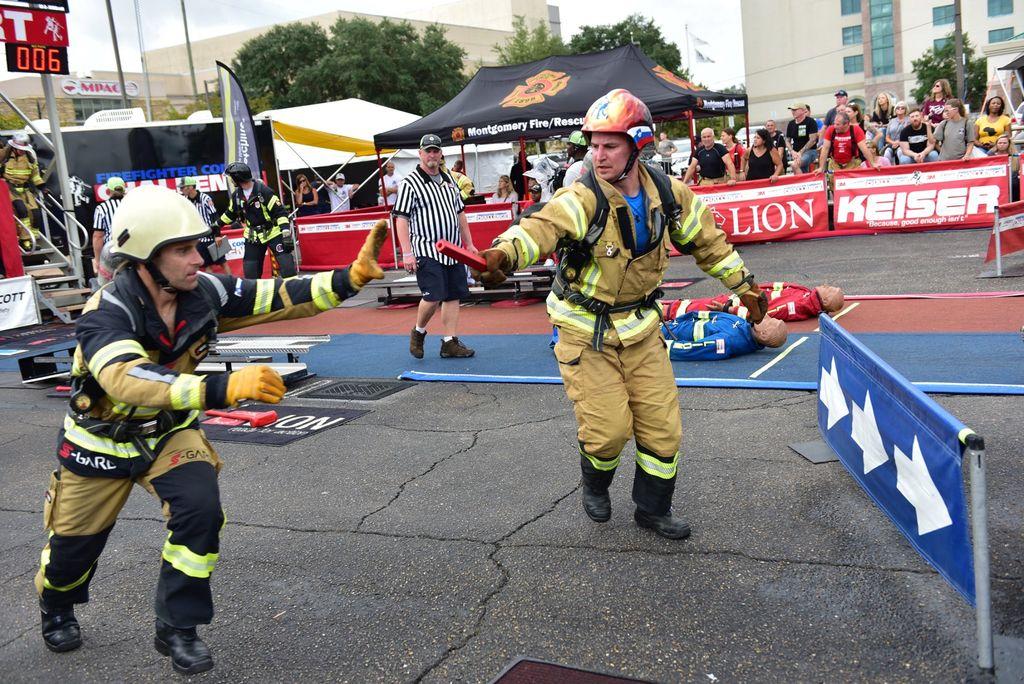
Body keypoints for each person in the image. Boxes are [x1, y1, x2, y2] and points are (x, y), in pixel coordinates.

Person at [34, 184, 389, 675]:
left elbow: (276, 296)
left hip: (169, 434)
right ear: (144, 259)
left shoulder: (204, 290)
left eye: (197, 245)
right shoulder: (106, 313)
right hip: (100, 439)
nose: (198, 257)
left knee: (200, 511)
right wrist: (220, 389)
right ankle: (57, 605)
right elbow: (126, 377)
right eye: (182, 249)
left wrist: (347, 279)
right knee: (73, 548)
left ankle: (178, 627)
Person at [474, 89, 769, 540]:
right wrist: (504, 254)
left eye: (609, 145)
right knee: (609, 431)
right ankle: (595, 481)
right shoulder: (582, 197)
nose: (598, 154)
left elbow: (710, 245)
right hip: (583, 332)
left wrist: (746, 289)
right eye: (593, 144)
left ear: (638, 146)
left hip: (642, 330)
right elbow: (541, 225)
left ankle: (652, 510)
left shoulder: (670, 195)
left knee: (663, 430)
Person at [393, 133, 478, 360]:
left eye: (436, 150)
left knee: (453, 295)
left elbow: (460, 213)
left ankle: (449, 342)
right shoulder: (410, 183)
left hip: (453, 250)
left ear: (441, 154)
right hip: (426, 248)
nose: (432, 154)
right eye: (428, 151)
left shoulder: (449, 180)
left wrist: (469, 244)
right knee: (433, 295)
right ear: (420, 154)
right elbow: (401, 218)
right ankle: (418, 332)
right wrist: (407, 253)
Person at [218, 162, 295, 279]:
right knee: (251, 272)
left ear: (238, 178)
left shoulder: (264, 191)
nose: (231, 180)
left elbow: (280, 212)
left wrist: (285, 233)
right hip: (253, 236)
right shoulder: (236, 196)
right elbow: (230, 214)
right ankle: (255, 295)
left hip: (272, 232)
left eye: (231, 177)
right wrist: (216, 225)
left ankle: (293, 291)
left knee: (287, 266)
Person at [663, 282, 844, 322]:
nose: (827, 285)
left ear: (826, 300)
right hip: (742, 297)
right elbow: (775, 287)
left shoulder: (799, 306)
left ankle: (659, 314)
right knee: (689, 304)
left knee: (687, 309)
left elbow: (766, 315)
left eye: (830, 290)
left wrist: (729, 309)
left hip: (737, 305)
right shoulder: (806, 293)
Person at [664, 311, 788, 361]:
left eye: (769, 321)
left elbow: (694, 349)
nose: (766, 316)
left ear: (764, 334)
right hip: (668, 324)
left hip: (662, 334)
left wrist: (662, 347)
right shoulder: (743, 325)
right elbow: (701, 314)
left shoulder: (729, 341)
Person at [2, 132, 47, 250]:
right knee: (21, 210)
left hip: (25, 190)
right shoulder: (4, 156)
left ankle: (34, 239)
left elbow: (35, 176)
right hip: (9, 188)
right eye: (19, 149)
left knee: (36, 213)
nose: (22, 151)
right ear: (14, 147)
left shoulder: (30, 158)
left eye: (23, 149)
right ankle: (25, 240)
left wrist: (42, 187)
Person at [817, 112, 881, 185]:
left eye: (838, 124)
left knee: (853, 186)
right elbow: (825, 149)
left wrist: (873, 163)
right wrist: (821, 167)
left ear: (846, 124)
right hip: (835, 163)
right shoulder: (831, 130)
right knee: (835, 187)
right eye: (834, 123)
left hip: (853, 163)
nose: (835, 126)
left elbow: (864, 149)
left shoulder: (856, 130)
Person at [179, 176, 227, 274]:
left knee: (223, 262)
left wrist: (218, 235)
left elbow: (215, 217)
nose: (181, 190)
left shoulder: (205, 198)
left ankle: (233, 285)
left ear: (190, 187)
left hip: (212, 237)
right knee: (206, 265)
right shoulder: (186, 200)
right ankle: (212, 287)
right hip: (200, 239)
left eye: (182, 187)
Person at [92, 177, 126, 272]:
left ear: (108, 191)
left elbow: (98, 236)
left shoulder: (102, 208)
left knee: (110, 282)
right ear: (124, 189)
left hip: (112, 251)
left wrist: (98, 261)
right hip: (133, 250)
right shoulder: (131, 204)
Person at [785, 103, 819, 174]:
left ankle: (801, 184)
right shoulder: (791, 124)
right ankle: (806, 182)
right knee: (802, 171)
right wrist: (792, 151)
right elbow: (787, 141)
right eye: (792, 110)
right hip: (796, 153)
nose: (792, 111)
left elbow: (812, 140)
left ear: (803, 110)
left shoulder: (810, 121)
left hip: (810, 151)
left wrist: (800, 152)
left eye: (795, 110)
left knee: (795, 165)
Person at [993, 134, 1020, 201]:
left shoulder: (1015, 155)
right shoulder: (991, 155)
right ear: (996, 144)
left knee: (1015, 181)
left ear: (1009, 144)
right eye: (1000, 143)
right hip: (997, 180)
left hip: (1013, 182)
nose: (1002, 144)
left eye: (1004, 143)